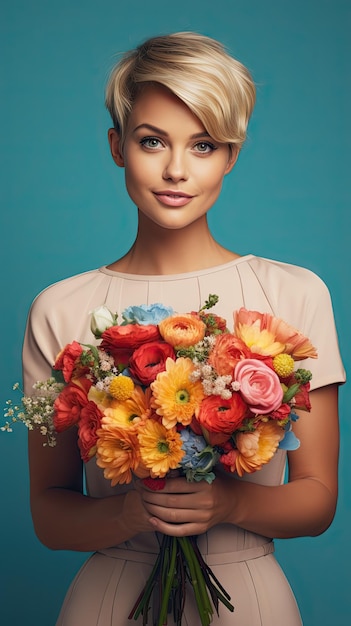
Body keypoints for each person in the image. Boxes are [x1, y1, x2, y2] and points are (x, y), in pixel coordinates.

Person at [24, 32, 345, 625]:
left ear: (232, 155)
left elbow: (319, 499)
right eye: (153, 141)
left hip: (247, 597)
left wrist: (228, 503)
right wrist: (127, 515)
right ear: (118, 146)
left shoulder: (295, 295)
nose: (176, 170)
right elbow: (48, 513)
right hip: (109, 597)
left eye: (202, 145)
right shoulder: (60, 308)